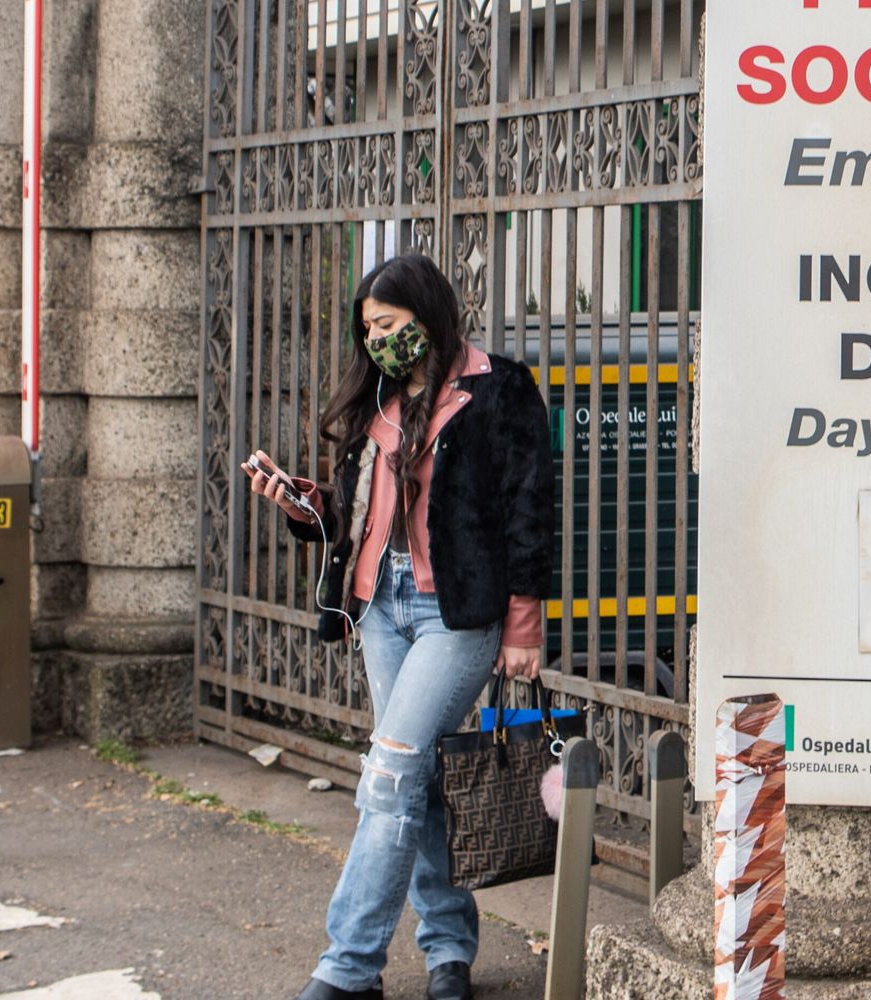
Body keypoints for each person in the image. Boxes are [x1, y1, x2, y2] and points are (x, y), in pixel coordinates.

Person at [240, 253, 555, 1000]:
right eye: (368, 329)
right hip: (380, 606)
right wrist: (299, 502)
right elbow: (356, 516)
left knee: (388, 776)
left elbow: (529, 507)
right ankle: (448, 950)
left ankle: (348, 969)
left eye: (388, 324)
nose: (377, 339)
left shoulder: (499, 389)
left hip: (456, 615)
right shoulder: (373, 401)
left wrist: (522, 622)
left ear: (427, 313)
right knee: (417, 780)